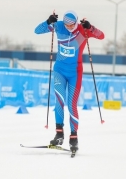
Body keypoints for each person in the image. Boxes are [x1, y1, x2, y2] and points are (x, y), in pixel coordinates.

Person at [35, 10, 105, 151]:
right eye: (67, 26)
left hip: (75, 73)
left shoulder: (83, 30)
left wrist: (90, 27)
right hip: (59, 70)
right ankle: (59, 133)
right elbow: (37, 31)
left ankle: (74, 137)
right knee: (59, 100)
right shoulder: (59, 26)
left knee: (71, 103)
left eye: (72, 25)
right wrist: (48, 21)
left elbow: (101, 36)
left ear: (76, 22)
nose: (69, 28)